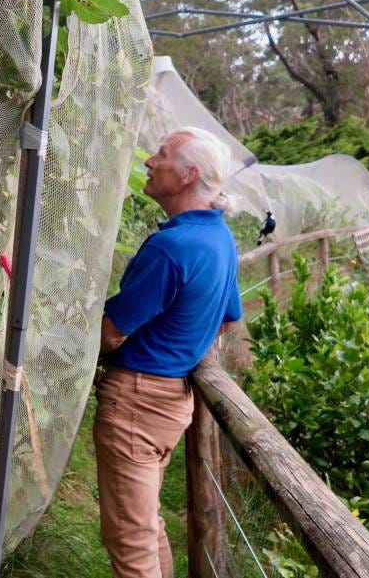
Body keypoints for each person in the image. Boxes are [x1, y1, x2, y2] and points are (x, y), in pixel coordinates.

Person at [95, 126, 243, 578]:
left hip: (136, 401)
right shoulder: (219, 238)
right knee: (145, 526)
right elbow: (229, 317)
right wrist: (181, 343)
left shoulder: (171, 247)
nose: (149, 162)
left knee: (130, 540)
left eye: (160, 155)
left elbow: (111, 333)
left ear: (188, 175)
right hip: (171, 402)